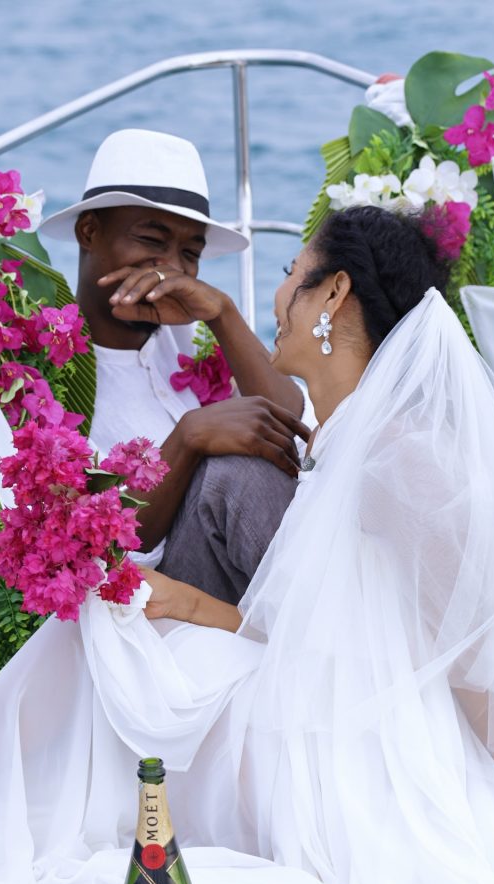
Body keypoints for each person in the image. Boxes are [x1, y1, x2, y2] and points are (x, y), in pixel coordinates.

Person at [0, 205, 494, 884]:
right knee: (115, 634)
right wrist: (184, 604)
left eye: (294, 275)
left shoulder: (400, 457)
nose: (278, 296)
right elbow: (324, 633)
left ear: (332, 293)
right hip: (314, 708)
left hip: (350, 758)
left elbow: (470, 661)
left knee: (116, 666)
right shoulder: (349, 439)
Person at [40, 128, 310, 603]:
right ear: (89, 232)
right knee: (234, 474)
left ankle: (338, 635)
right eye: (151, 240)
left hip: (235, 575)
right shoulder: (51, 372)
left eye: (190, 254)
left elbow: (294, 428)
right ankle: (333, 641)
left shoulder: (187, 334)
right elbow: (106, 553)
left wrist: (223, 315)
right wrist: (188, 438)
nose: (171, 269)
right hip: (147, 609)